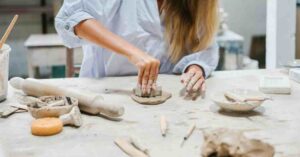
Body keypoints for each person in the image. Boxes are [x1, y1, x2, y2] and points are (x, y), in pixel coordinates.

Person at [55, 0, 219, 99]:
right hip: (108, 93)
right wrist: (133, 53)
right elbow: (74, 19)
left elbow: (204, 42)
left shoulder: (197, 3)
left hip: (171, 96)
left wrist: (195, 66)